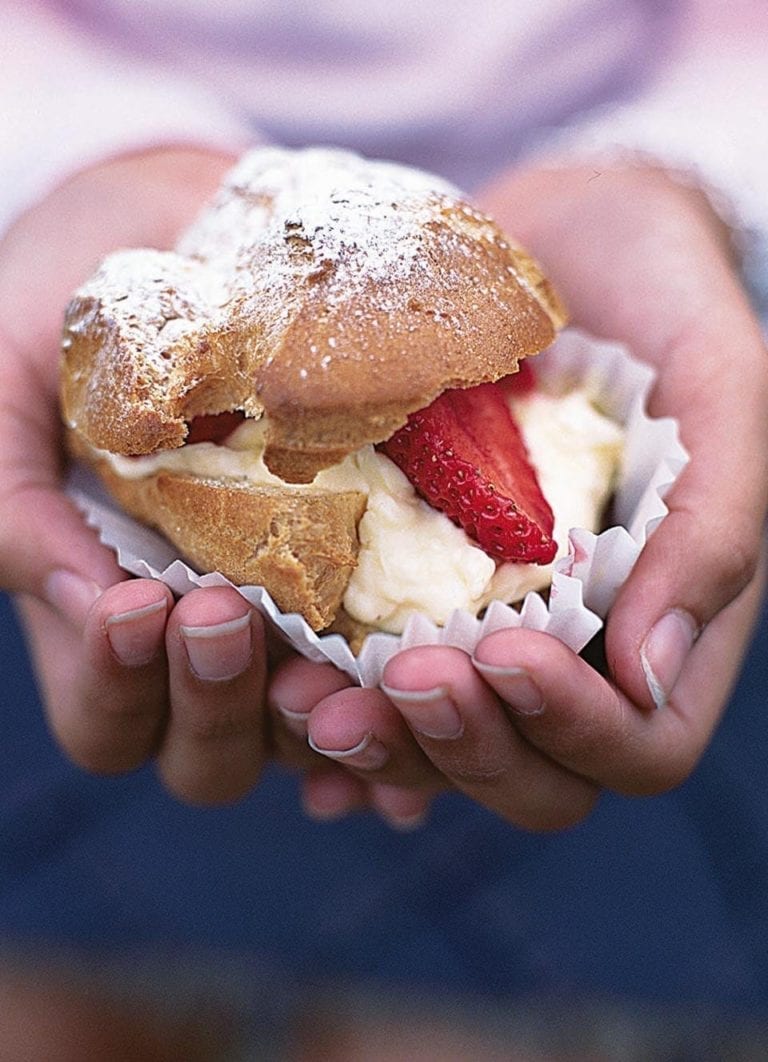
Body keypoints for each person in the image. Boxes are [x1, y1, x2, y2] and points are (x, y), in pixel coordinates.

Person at [1, 0, 767, 1021]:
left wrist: (692, 167)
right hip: (68, 236)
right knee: (69, 992)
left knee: (501, 1011)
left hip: (620, 221)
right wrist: (64, 151)